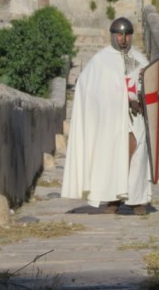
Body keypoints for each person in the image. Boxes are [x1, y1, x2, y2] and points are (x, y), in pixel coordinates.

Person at [62, 17, 152, 215]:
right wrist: (119, 99)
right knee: (114, 154)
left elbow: (149, 84)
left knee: (136, 154)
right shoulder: (100, 61)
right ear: (113, 36)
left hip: (135, 118)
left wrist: (142, 98)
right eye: (119, 34)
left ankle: (137, 200)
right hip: (110, 120)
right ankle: (113, 199)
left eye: (127, 35)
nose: (123, 39)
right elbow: (89, 90)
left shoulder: (140, 59)